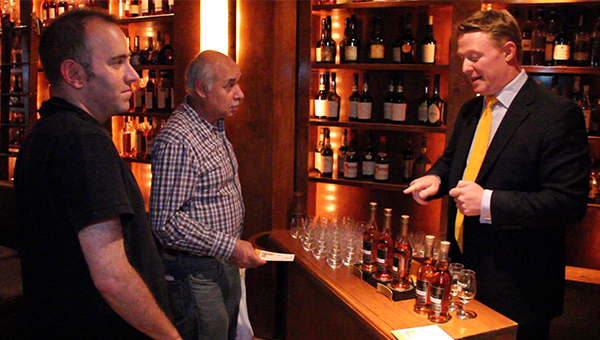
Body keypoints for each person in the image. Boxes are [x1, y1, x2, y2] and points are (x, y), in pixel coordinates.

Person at [404, 9, 589, 340]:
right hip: (461, 275)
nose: (465, 68)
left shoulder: (558, 114)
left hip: (517, 289)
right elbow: (453, 162)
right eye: (462, 58)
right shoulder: (473, 108)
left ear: (508, 51)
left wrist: (488, 202)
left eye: (474, 57)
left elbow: (568, 202)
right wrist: (436, 178)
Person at [13, 9, 181, 340]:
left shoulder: (44, 134)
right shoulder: (84, 142)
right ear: (74, 74)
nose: (133, 75)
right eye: (117, 62)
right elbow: (112, 276)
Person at [149, 50, 266, 340]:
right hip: (194, 272)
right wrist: (230, 247)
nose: (240, 94)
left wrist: (228, 250)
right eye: (229, 85)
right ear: (201, 89)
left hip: (219, 263)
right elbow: (165, 224)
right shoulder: (179, 139)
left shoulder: (211, 127)